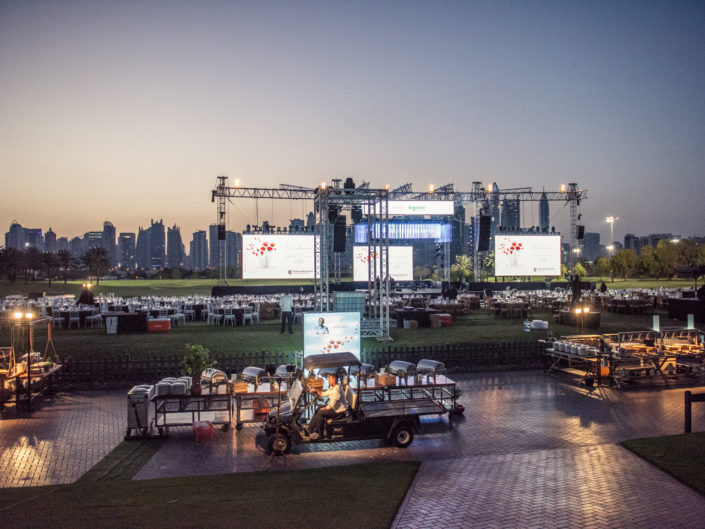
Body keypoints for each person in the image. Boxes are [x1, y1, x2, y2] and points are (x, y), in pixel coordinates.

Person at [307, 374, 348, 439]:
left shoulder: (336, 390)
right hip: (335, 409)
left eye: (329, 379)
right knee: (319, 408)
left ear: (334, 380)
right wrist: (316, 390)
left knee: (320, 413)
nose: (328, 381)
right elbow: (324, 393)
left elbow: (331, 405)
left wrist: (324, 408)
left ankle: (320, 434)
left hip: (338, 412)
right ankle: (310, 428)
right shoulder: (333, 388)